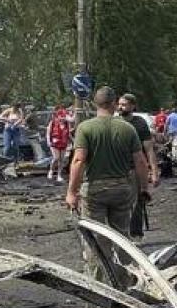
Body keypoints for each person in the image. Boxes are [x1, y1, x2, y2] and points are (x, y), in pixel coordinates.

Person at [65, 87, 150, 242]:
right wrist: (144, 188)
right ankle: (122, 264)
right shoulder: (128, 128)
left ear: (95, 104)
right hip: (122, 188)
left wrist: (72, 192)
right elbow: (141, 161)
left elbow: (79, 160)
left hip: (94, 188)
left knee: (95, 235)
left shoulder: (85, 128)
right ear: (114, 104)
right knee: (122, 235)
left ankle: (99, 265)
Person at [117, 93, 159, 240]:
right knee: (118, 203)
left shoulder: (139, 123)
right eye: (119, 104)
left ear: (132, 106)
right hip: (117, 168)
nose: (120, 107)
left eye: (124, 104)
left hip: (136, 168)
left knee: (137, 202)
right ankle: (121, 235)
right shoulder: (115, 122)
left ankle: (135, 235)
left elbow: (148, 149)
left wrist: (154, 171)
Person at [46, 106, 72, 183]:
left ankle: (59, 175)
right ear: (58, 116)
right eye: (61, 116)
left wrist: (73, 141)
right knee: (56, 157)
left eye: (64, 117)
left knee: (62, 159)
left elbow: (68, 134)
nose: (63, 118)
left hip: (63, 143)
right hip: (54, 143)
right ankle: (51, 171)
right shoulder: (53, 122)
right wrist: (48, 142)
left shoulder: (67, 124)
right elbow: (48, 133)